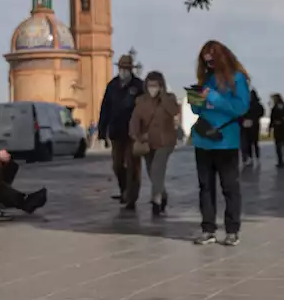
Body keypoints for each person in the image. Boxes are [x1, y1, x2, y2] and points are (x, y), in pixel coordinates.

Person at [188, 40, 250, 246]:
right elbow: (199, 110)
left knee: (230, 187)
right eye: (206, 63)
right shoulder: (206, 79)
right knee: (205, 187)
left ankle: (232, 230)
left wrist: (213, 97)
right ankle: (208, 229)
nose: (209, 66)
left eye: (212, 62)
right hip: (203, 140)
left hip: (226, 141)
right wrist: (195, 101)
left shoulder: (237, 79)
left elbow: (240, 107)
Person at [128, 71, 181, 216]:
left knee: (157, 169)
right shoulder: (141, 100)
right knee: (152, 172)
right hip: (147, 141)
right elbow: (135, 119)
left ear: (161, 86)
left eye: (155, 85)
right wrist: (135, 135)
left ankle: (156, 200)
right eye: (150, 85)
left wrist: (163, 97)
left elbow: (174, 111)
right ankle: (162, 194)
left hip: (165, 142)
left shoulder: (169, 98)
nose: (153, 88)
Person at [98, 53, 144, 207]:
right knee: (117, 165)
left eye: (126, 68)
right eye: (121, 68)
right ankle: (124, 189)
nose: (123, 70)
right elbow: (105, 108)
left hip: (134, 132)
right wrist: (102, 131)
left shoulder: (139, 86)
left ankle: (131, 197)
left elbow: (146, 109)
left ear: (130, 69)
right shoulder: (112, 86)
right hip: (117, 131)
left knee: (133, 165)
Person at [240, 90, 264, 166]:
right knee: (248, 142)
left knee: (254, 142)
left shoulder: (257, 105)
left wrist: (253, 119)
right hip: (246, 125)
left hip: (254, 125)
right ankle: (250, 157)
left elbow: (261, 113)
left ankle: (256, 156)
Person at [269, 93, 284, 169]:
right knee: (278, 147)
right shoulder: (274, 108)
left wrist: (283, 121)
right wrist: (270, 128)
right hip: (277, 129)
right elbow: (271, 119)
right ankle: (280, 162)